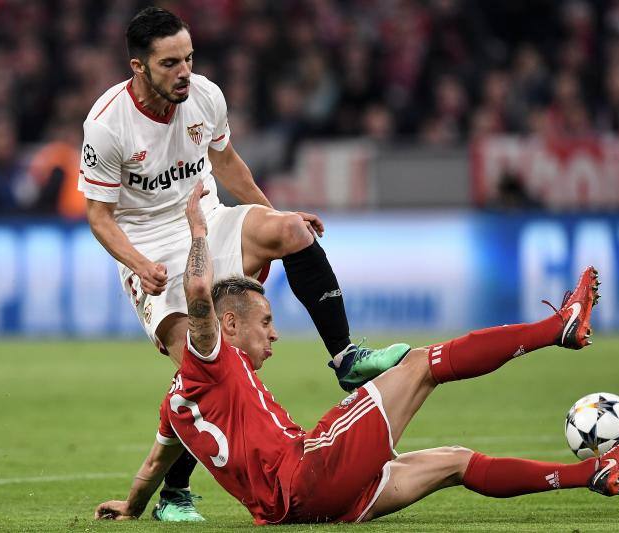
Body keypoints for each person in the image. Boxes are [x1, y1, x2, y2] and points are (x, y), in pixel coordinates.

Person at [94, 182, 619, 525]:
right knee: (421, 365)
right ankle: (560, 326)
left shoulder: (176, 404)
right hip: (311, 469)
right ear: (229, 324)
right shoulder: (210, 354)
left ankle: (593, 475)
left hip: (297, 511)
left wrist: (132, 507)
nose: (276, 335)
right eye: (266, 322)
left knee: (454, 462)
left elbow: (152, 466)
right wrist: (197, 230)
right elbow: (198, 296)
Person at [78, 6, 407, 521]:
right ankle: (175, 493)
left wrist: (274, 214)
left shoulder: (205, 96)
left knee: (293, 232)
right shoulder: (106, 125)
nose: (184, 71)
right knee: (211, 364)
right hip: (149, 244)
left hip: (206, 217)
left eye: (188, 58)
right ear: (138, 67)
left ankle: (346, 358)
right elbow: (98, 216)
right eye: (169, 63)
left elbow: (227, 163)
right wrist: (139, 264)